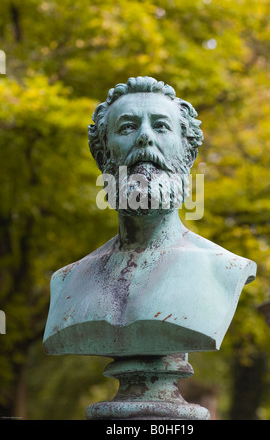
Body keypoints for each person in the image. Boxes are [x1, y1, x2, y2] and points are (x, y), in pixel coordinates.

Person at [43, 76, 256, 357]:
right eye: (128, 127)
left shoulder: (224, 270)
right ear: (102, 154)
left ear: (188, 154)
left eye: (161, 126)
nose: (145, 137)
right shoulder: (66, 282)